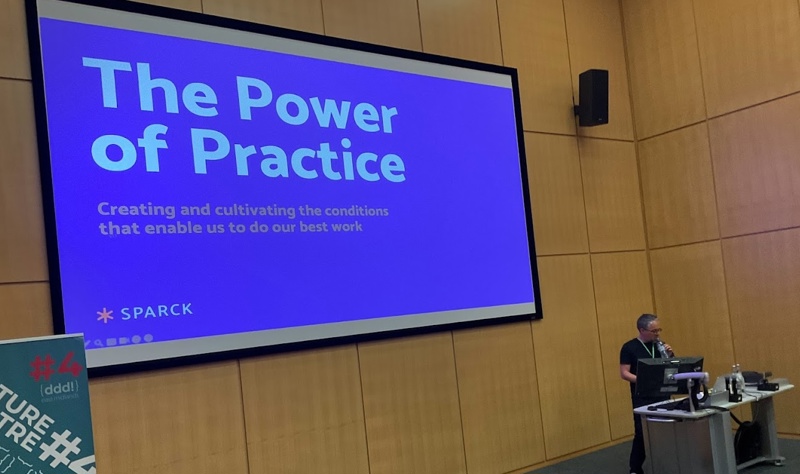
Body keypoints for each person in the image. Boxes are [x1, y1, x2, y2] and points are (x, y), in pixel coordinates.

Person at [619, 313, 673, 474]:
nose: (657, 334)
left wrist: (670, 356)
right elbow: (624, 373)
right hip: (642, 395)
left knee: (665, 430)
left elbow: (670, 367)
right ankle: (635, 468)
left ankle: (667, 464)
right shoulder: (629, 347)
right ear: (642, 330)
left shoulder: (660, 345)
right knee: (642, 433)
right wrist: (644, 380)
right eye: (654, 331)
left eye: (659, 330)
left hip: (662, 392)